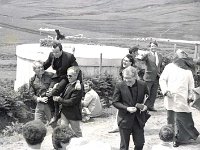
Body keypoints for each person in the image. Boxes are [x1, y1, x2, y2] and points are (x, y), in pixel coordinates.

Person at [159, 49, 199, 147]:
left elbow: (191, 85)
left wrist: (191, 95)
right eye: (181, 54)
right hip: (170, 97)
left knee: (185, 119)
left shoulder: (188, 69)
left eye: (184, 54)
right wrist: (165, 90)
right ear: (176, 57)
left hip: (183, 98)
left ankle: (186, 136)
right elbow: (162, 79)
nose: (183, 56)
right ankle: (173, 138)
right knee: (171, 119)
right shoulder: (169, 67)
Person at [43, 41, 82, 124]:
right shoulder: (51, 55)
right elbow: (45, 65)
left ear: (61, 50)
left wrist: (78, 82)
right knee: (48, 93)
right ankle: (54, 113)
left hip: (65, 78)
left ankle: (56, 116)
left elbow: (77, 70)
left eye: (57, 52)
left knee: (54, 92)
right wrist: (38, 68)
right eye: (54, 52)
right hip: (56, 77)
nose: (55, 54)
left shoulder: (69, 57)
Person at [112, 66, 149, 150]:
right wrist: (126, 108)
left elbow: (148, 98)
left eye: (129, 79)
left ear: (135, 77)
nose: (126, 81)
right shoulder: (120, 85)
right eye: (125, 78)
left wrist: (146, 106)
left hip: (138, 119)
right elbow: (115, 102)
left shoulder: (142, 84)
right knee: (124, 146)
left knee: (140, 143)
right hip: (125, 119)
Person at [53, 66, 83, 137]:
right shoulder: (68, 84)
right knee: (63, 131)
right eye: (67, 75)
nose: (68, 77)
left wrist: (59, 99)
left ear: (76, 76)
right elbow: (65, 96)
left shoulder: (78, 87)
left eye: (70, 76)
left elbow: (71, 101)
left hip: (73, 113)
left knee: (77, 132)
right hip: (64, 112)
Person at [109, 54, 135, 133]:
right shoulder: (122, 70)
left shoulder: (133, 71)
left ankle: (130, 128)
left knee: (130, 110)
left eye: (126, 61)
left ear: (131, 63)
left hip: (131, 93)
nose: (124, 62)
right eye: (124, 60)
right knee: (120, 108)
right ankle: (117, 126)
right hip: (122, 91)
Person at [140, 41, 163, 111]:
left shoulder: (160, 55)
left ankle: (151, 106)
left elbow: (160, 66)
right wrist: (144, 55)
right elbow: (141, 60)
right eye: (152, 46)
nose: (153, 47)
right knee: (147, 92)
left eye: (155, 46)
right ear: (150, 47)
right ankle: (144, 106)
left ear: (157, 47)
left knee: (154, 93)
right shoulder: (147, 55)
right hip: (148, 76)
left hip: (157, 76)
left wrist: (160, 73)